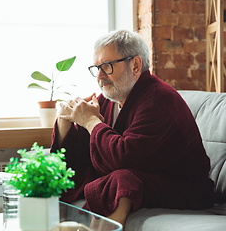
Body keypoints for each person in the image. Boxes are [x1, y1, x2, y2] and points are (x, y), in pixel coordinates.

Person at [50, 30, 215, 227]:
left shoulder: (158, 99)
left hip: (184, 186)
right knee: (77, 175)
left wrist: (91, 122)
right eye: (97, 68)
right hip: (142, 176)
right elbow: (84, 153)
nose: (100, 77)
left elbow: (124, 158)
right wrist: (64, 120)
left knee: (123, 180)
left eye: (107, 66)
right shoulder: (109, 99)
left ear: (135, 65)